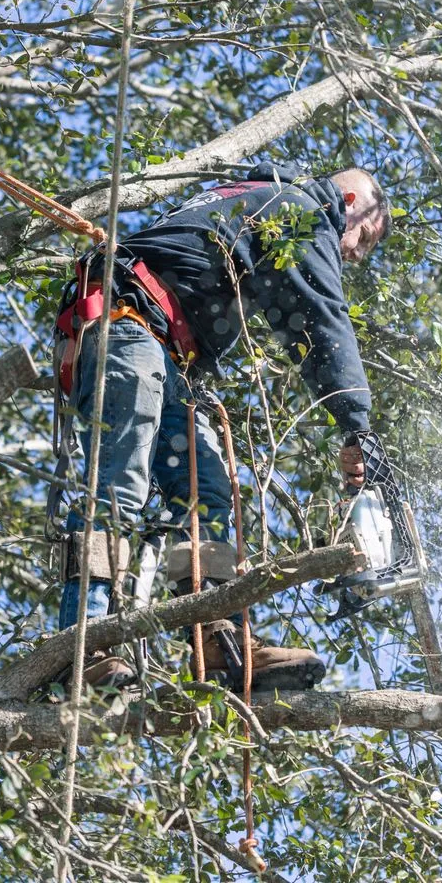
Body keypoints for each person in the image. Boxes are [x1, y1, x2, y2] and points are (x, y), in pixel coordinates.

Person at [55, 161, 390, 690]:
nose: (352, 254)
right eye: (363, 239)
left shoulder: (257, 205)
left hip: (164, 350)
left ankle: (218, 642)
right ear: (350, 202)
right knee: (120, 480)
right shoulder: (299, 209)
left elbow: (295, 316)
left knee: (207, 491)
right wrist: (356, 423)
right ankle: (86, 643)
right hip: (125, 325)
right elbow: (320, 315)